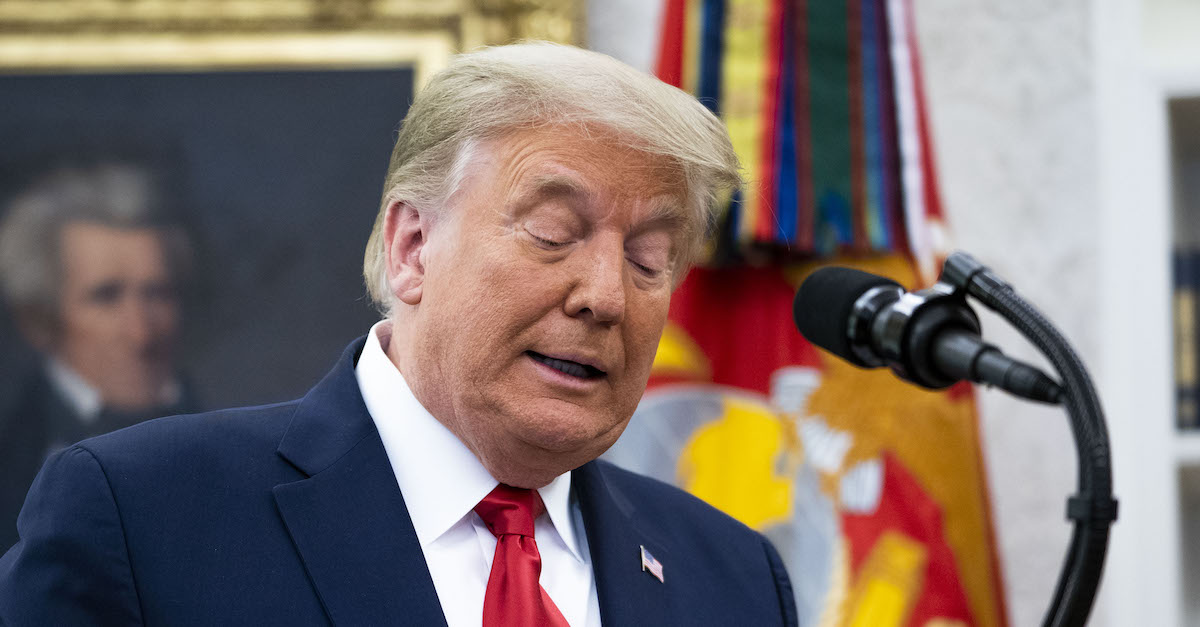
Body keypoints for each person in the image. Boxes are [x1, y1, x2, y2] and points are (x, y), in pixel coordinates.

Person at [0, 43, 797, 625]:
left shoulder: (731, 577)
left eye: (648, 258)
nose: (606, 296)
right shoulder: (142, 517)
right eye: (554, 233)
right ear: (414, 246)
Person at [0, 162, 196, 551]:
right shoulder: (13, 463)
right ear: (39, 319)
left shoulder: (241, 450)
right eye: (106, 297)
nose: (141, 332)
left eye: (157, 294)